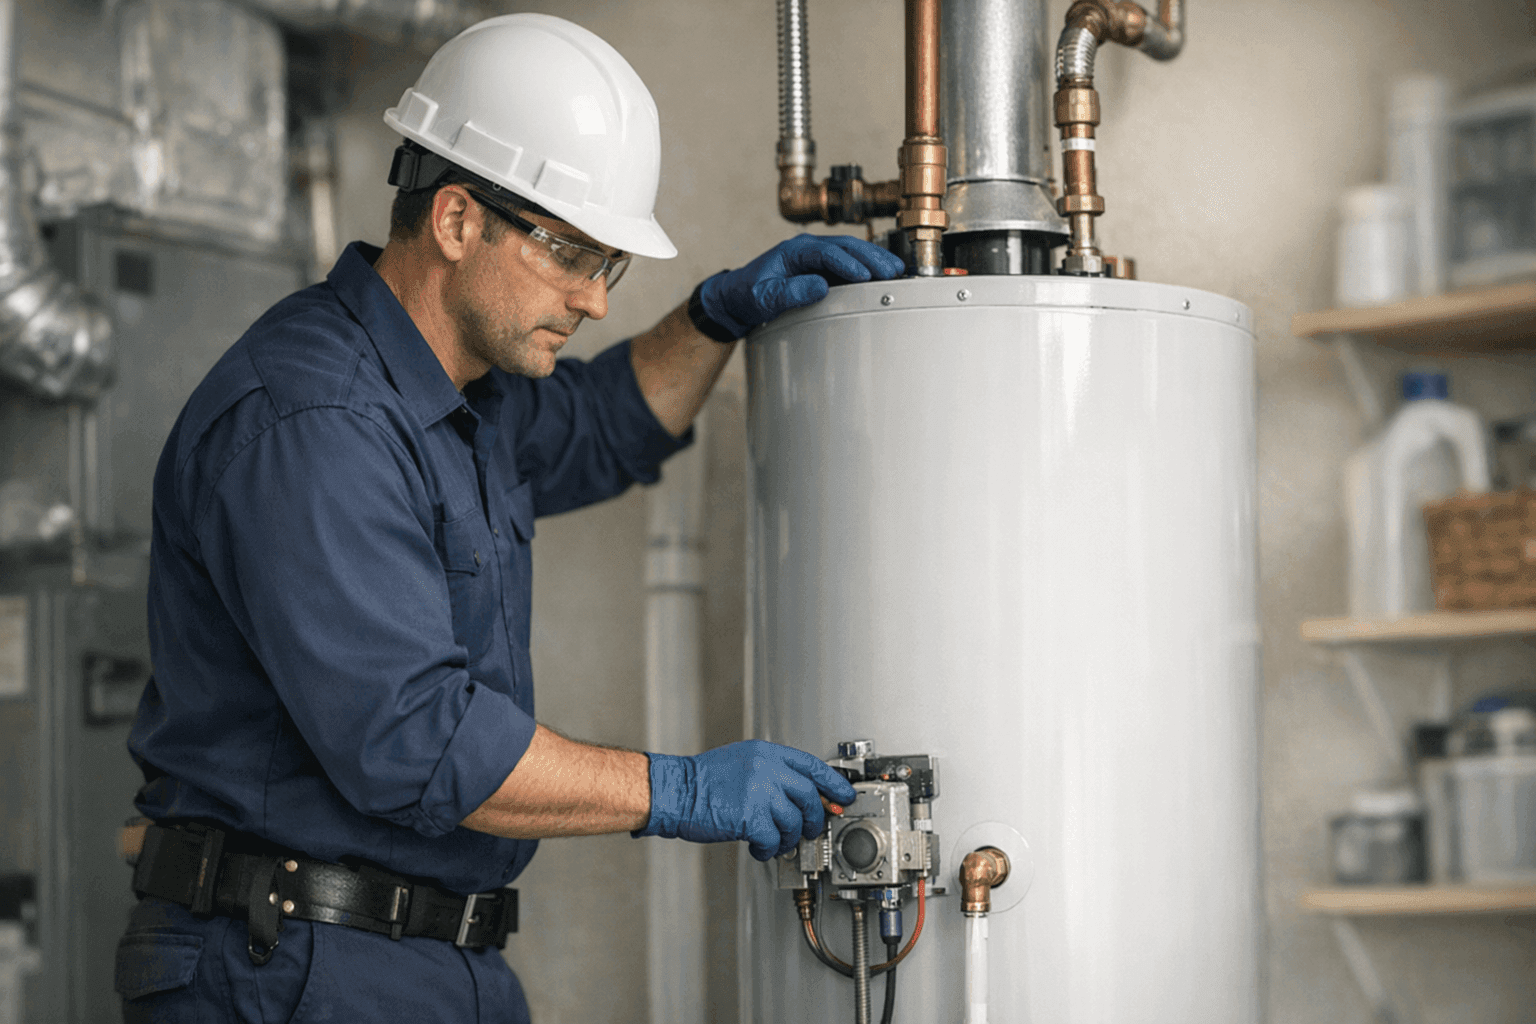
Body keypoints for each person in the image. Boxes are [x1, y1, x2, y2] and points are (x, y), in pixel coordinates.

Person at [112, 12, 902, 1024]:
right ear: (454, 221)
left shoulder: (461, 389)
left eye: (608, 266)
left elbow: (603, 422)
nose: (594, 302)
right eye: (571, 255)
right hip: (292, 966)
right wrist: (683, 790)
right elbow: (419, 742)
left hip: (424, 958)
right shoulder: (313, 421)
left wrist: (715, 317)